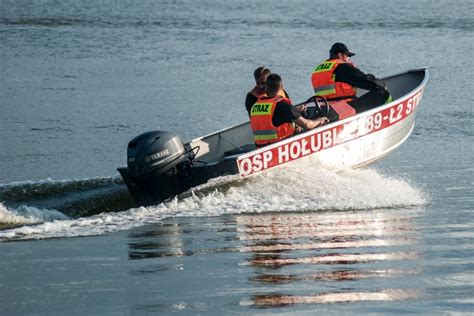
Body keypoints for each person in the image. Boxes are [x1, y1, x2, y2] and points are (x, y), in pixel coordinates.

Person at [250, 74, 328, 147]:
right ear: (282, 87)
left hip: (261, 148)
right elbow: (307, 125)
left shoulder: (255, 106)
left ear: (266, 88)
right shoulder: (283, 106)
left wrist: (296, 111)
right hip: (282, 146)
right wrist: (319, 120)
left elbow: (273, 118)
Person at [311, 42, 391, 113]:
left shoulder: (318, 70)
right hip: (344, 107)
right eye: (348, 56)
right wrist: (381, 83)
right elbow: (366, 82)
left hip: (325, 108)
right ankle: (388, 112)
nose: (349, 59)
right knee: (382, 92)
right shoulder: (342, 66)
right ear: (340, 55)